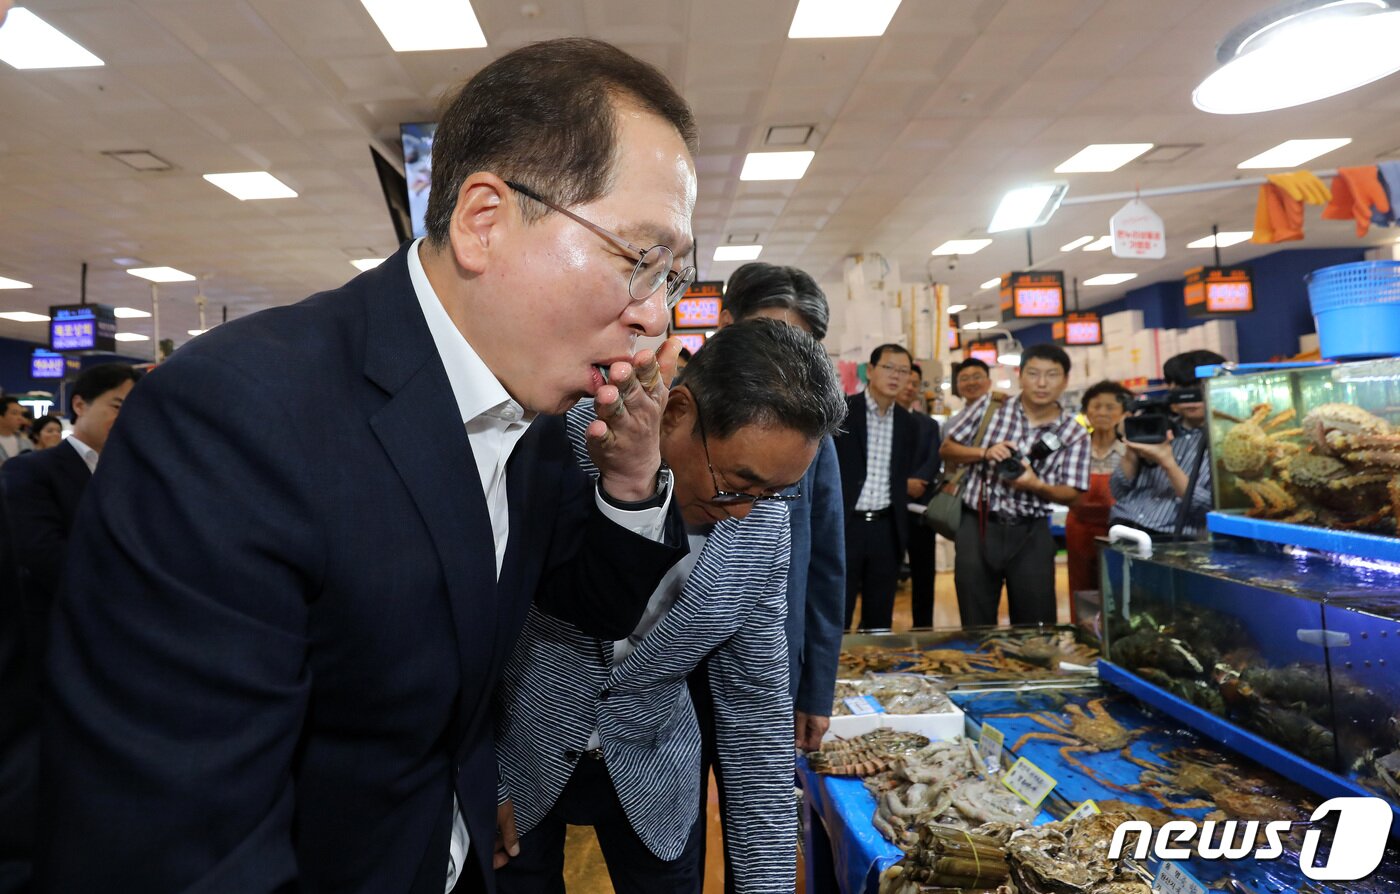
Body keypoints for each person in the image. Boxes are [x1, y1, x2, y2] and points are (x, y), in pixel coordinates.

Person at [40, 39, 699, 894]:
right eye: (639, 260)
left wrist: (631, 480)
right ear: (484, 220)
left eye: (670, 277)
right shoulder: (240, 415)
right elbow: (178, 841)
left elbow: (588, 604)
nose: (656, 319)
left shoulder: (529, 413)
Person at [494, 319, 846, 894]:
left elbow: (755, 707)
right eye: (736, 483)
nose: (744, 511)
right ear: (677, 413)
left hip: (656, 773)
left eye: (773, 493)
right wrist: (478, 777)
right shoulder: (556, 447)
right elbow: (462, 628)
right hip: (519, 755)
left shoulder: (763, 527)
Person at [689, 261, 846, 893]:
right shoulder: (675, 413)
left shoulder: (810, 438)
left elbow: (826, 566)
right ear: (726, 325)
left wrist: (816, 689)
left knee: (762, 824)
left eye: (803, 346)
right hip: (671, 676)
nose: (785, 362)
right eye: (768, 333)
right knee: (672, 833)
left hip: (769, 669)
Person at [940, 344, 1091, 626]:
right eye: (1033, 373)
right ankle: (979, 656)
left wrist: (1035, 485)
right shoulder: (991, 407)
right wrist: (985, 452)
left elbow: (1074, 496)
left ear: (1065, 380)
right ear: (1020, 375)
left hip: (1031, 532)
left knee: (1036, 624)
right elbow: (947, 449)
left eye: (1052, 375)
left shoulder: (1074, 434)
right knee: (975, 620)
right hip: (977, 524)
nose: (1042, 383)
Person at [833, 344, 918, 630]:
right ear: (870, 371)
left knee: (880, 613)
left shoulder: (908, 423)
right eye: (889, 367)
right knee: (837, 608)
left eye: (903, 371)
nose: (896, 376)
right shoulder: (842, 411)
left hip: (886, 528)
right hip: (847, 525)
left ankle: (875, 659)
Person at [1109, 350, 1225, 540]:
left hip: (1175, 539)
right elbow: (1118, 491)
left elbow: (1206, 509)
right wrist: (1132, 447)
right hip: (1122, 528)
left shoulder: (1224, 441)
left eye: (1196, 388)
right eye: (1181, 388)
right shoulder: (1158, 428)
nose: (1189, 398)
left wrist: (1167, 463)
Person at [1064, 381, 1131, 605]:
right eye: (1096, 406)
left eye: (1110, 407)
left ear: (1124, 413)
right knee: (1080, 588)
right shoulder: (1074, 449)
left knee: (1119, 588)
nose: (1102, 412)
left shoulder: (1130, 451)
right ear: (1085, 411)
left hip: (1119, 529)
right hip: (1078, 529)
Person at [899, 363, 942, 628]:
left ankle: (923, 627)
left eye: (915, 383)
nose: (910, 387)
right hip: (888, 509)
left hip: (920, 509)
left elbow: (934, 458)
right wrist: (902, 484)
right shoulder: (880, 422)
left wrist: (918, 482)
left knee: (924, 573)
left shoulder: (929, 425)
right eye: (906, 381)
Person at [0, 397, 31, 466]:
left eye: (21, 414)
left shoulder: (26, 443)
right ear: (1, 416)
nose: (20, 418)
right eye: (14, 413)